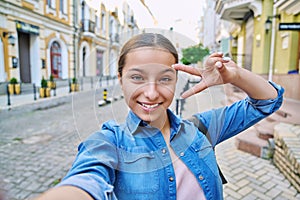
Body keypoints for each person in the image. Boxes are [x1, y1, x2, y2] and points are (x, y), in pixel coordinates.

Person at [36, 33, 284, 200]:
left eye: (165, 78)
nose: (152, 93)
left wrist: (234, 76)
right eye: (137, 77)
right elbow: (85, 181)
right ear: (120, 80)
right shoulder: (109, 142)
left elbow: (268, 101)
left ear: (176, 80)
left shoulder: (201, 129)